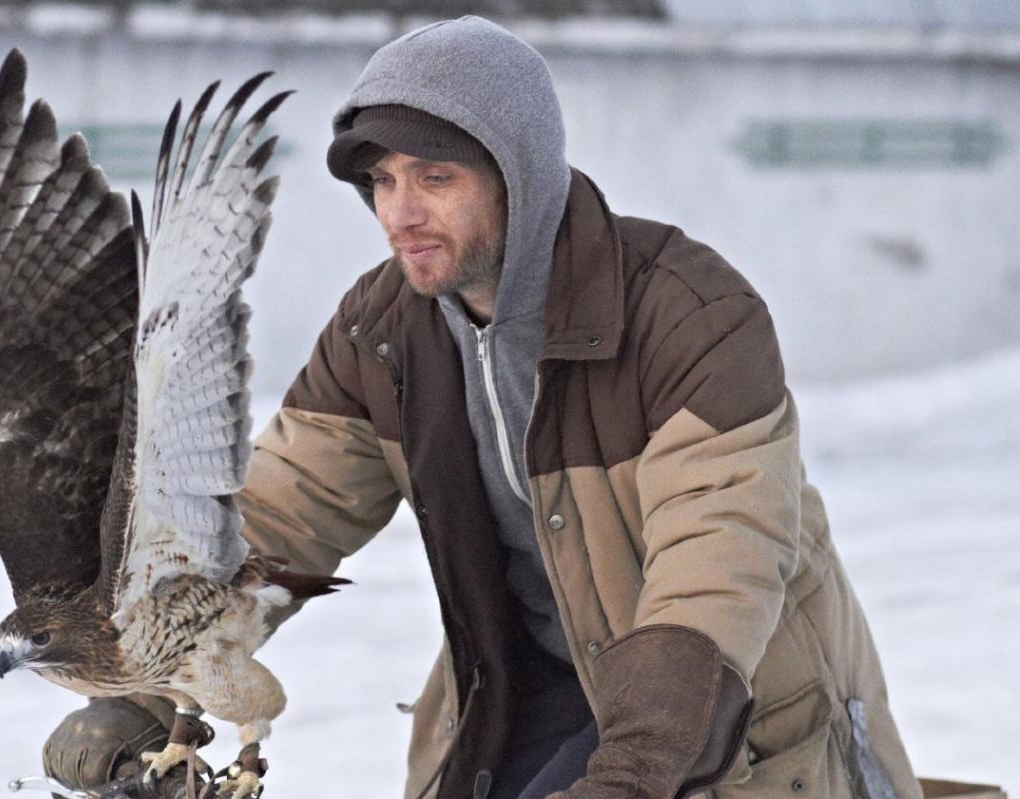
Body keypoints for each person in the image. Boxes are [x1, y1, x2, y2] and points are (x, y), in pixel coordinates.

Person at [44, 15, 922, 799]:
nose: (401, 212)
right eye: (382, 182)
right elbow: (271, 521)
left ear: (519, 176)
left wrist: (629, 777)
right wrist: (141, 688)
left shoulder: (688, 315)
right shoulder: (380, 330)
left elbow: (714, 574)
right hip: (521, 687)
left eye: (435, 176)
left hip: (717, 710)